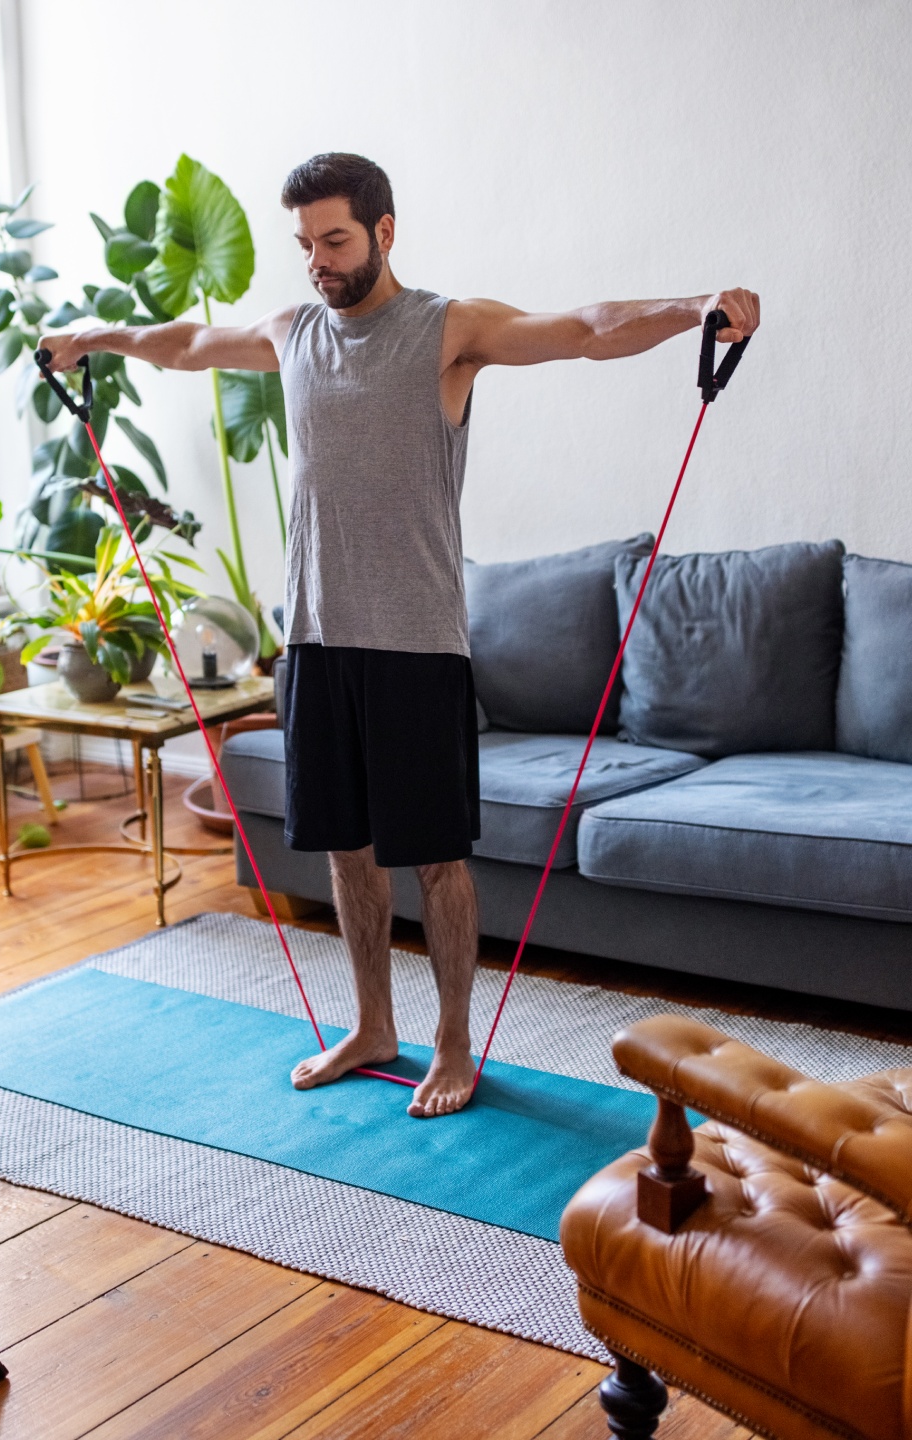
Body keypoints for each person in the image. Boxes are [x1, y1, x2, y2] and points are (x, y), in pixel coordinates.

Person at [42, 152, 760, 1119]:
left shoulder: (445, 331)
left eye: (335, 240)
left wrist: (695, 308)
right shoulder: (293, 332)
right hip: (316, 641)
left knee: (435, 859)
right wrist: (96, 335)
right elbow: (185, 341)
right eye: (304, 244)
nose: (317, 262)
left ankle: (455, 1043)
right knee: (344, 851)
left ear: (385, 230)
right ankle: (374, 1025)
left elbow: (587, 330)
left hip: (418, 645)